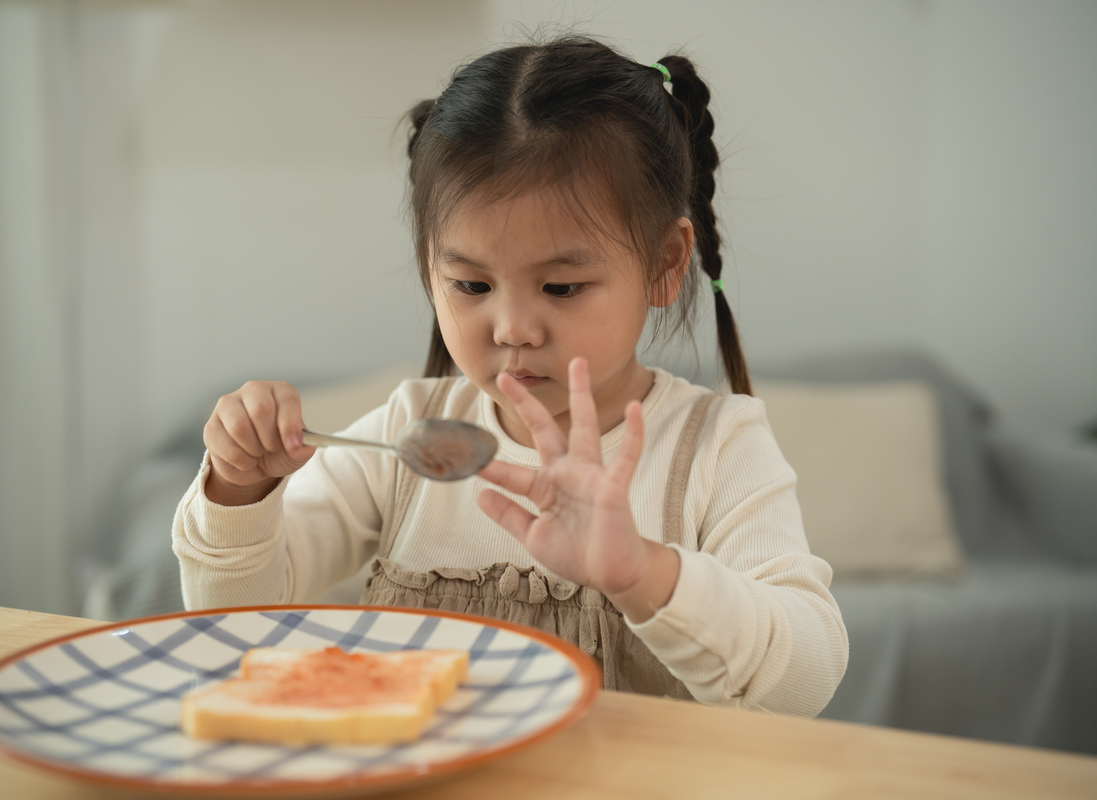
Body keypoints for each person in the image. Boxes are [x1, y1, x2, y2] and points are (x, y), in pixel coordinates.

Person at [173, 36, 848, 717]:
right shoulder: (408, 440)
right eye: (470, 283)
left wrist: (644, 575)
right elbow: (236, 627)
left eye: (560, 287)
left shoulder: (717, 448)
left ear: (665, 264)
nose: (512, 327)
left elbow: (805, 681)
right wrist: (240, 487)